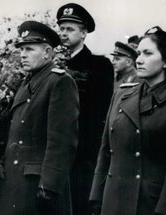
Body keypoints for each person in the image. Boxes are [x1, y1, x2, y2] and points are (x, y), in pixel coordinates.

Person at [89, 26, 166, 215]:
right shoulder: (122, 94)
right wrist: (96, 197)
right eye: (138, 53)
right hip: (113, 200)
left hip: (149, 205)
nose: (139, 59)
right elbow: (106, 150)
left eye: (148, 53)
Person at [0, 20, 79, 215]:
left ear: (48, 53)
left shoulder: (59, 82)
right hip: (14, 180)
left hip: (37, 184)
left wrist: (49, 185)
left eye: (30, 49)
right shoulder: (27, 82)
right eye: (21, 49)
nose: (23, 55)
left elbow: (62, 141)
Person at [55, 3, 114, 215]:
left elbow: (100, 114)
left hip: (82, 153)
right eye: (61, 29)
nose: (63, 34)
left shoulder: (99, 65)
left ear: (84, 32)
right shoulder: (51, 64)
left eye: (70, 29)